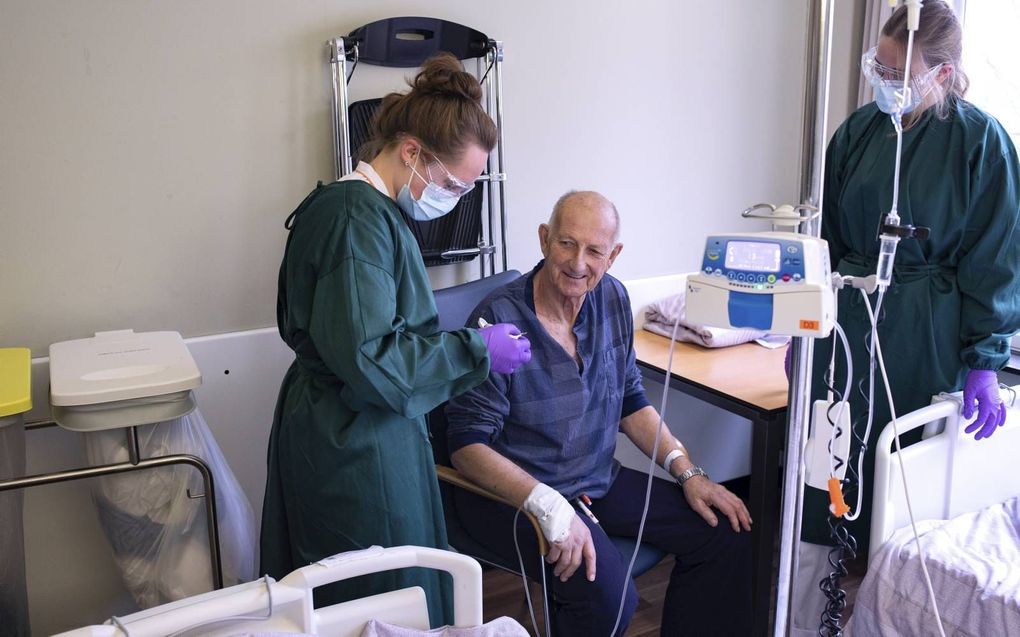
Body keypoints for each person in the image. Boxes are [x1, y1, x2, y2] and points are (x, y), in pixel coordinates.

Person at [260, 53, 531, 626]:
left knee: (401, 582)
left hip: (363, 424)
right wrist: (478, 350)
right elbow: (372, 358)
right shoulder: (353, 221)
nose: (456, 198)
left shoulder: (371, 213)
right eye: (455, 183)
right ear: (412, 152)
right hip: (354, 440)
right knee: (373, 595)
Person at [792, 2, 1020, 634]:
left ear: (943, 74)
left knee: (905, 499)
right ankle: (813, 617)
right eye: (883, 69)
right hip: (849, 328)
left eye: (903, 74)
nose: (888, 85)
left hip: (928, 333)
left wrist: (985, 362)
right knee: (828, 479)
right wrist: (810, 327)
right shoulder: (857, 135)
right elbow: (829, 247)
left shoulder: (983, 144)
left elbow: (996, 260)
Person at [445, 191, 753, 637]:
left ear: (613, 256)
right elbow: (467, 447)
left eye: (595, 251)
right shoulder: (498, 321)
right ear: (544, 239)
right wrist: (549, 506)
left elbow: (631, 401)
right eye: (567, 243)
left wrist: (689, 472)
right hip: (513, 497)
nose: (578, 263)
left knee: (725, 531)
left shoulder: (611, 299)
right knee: (608, 598)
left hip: (594, 481)